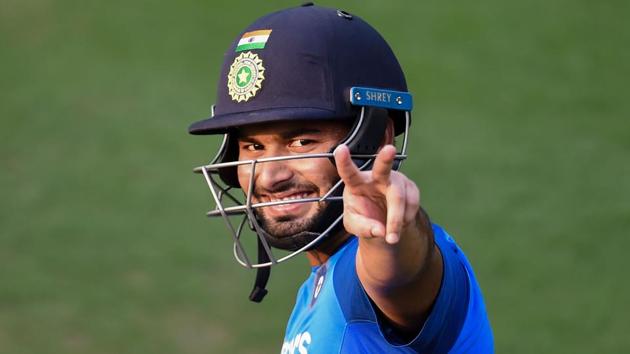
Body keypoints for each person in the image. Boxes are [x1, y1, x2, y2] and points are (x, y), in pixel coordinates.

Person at [188, 3, 493, 353]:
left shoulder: (364, 281)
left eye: (302, 142)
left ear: (375, 139)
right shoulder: (319, 284)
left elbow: (399, 272)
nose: (270, 176)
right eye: (253, 146)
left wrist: (390, 233)